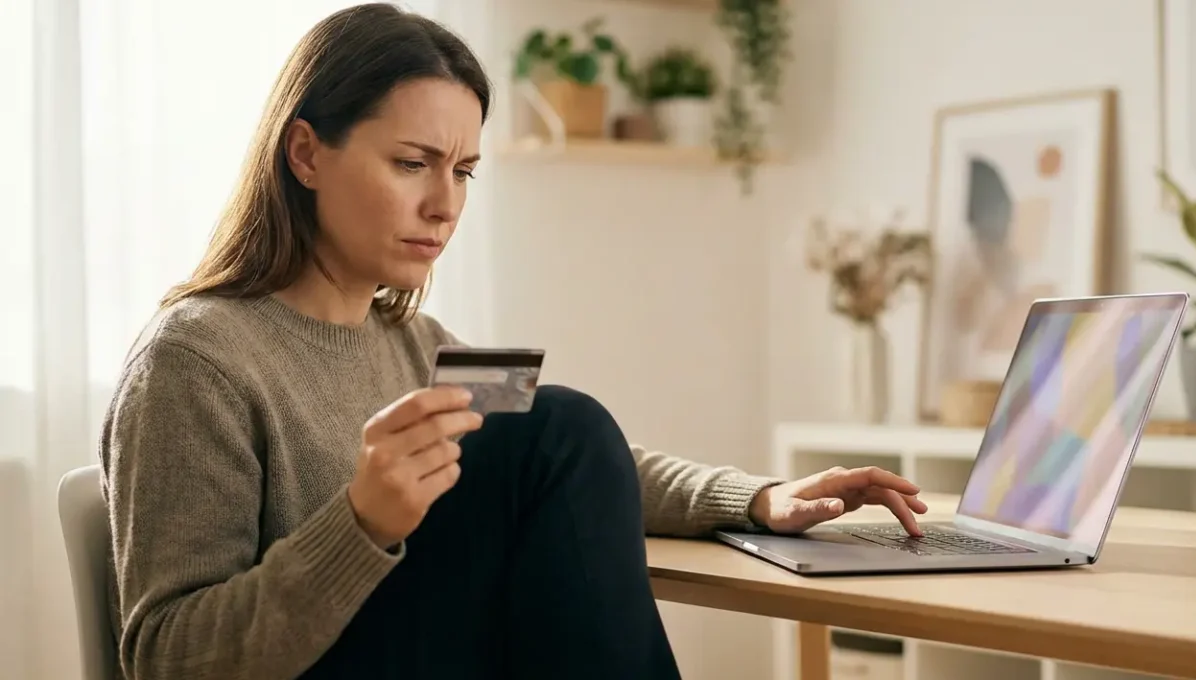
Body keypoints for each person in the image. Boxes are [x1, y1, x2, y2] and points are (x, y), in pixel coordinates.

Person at [97, 4, 928, 680]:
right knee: (553, 423)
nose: (444, 205)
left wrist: (760, 500)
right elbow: (166, 657)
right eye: (413, 163)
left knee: (563, 426)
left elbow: (598, 466)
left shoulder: (416, 339)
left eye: (461, 172)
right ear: (307, 153)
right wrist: (361, 524)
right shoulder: (195, 358)